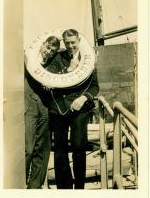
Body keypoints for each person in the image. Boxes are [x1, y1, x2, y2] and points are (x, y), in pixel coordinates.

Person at [48, 29, 99, 189]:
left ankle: (79, 188)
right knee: (60, 150)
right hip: (59, 109)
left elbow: (95, 86)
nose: (70, 46)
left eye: (73, 43)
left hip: (80, 109)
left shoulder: (88, 59)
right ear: (63, 42)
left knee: (78, 148)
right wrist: (68, 69)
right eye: (67, 43)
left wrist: (83, 98)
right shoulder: (57, 58)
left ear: (79, 41)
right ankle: (64, 188)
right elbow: (49, 77)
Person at [25, 36, 60, 189]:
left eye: (52, 51)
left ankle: (34, 186)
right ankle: (19, 183)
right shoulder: (28, 59)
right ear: (43, 45)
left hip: (45, 107)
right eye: (47, 48)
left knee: (43, 148)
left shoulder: (52, 64)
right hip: (29, 105)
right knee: (28, 148)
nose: (48, 52)